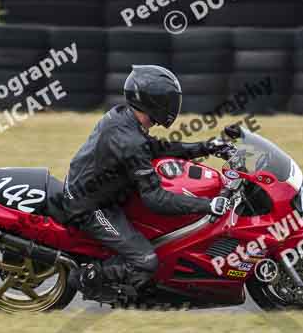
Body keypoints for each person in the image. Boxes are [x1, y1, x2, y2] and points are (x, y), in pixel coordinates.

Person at [56, 65, 233, 297]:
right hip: (90, 207)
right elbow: (156, 199)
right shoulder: (130, 141)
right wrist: (207, 205)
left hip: (96, 192)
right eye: (170, 99)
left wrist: (206, 147)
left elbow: (155, 147)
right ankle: (84, 277)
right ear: (155, 100)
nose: (174, 105)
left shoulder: (124, 117)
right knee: (146, 260)